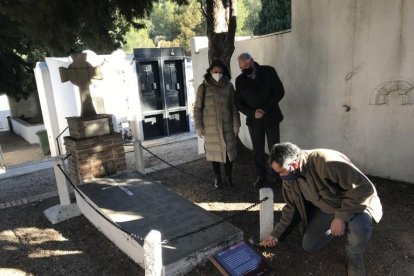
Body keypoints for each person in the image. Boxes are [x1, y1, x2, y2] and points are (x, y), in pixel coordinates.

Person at [261, 142, 383, 276]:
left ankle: (355, 258)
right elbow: (291, 208)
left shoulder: (326, 162)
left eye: (282, 172)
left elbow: (363, 189)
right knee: (310, 245)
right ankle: (340, 226)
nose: (281, 177)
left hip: (356, 204)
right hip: (328, 208)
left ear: (294, 165)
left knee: (360, 226)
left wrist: (341, 218)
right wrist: (276, 234)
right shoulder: (289, 178)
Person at [235, 53, 285, 188]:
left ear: (252, 61)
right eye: (241, 68)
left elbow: (280, 91)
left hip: (271, 117)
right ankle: (261, 176)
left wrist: (264, 109)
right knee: (257, 150)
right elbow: (238, 103)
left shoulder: (269, 71)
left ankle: (277, 175)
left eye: (246, 65)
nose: (245, 69)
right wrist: (252, 113)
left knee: (275, 149)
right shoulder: (240, 80)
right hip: (254, 121)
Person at [193, 59, 241, 189]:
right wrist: (198, 126)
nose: (218, 73)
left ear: (224, 72)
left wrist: (237, 124)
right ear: (210, 71)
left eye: (220, 71)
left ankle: (229, 177)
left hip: (227, 126)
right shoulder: (202, 88)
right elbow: (197, 108)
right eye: (215, 71)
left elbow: (234, 107)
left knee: (228, 153)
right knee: (214, 153)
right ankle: (217, 177)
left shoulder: (229, 86)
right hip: (211, 127)